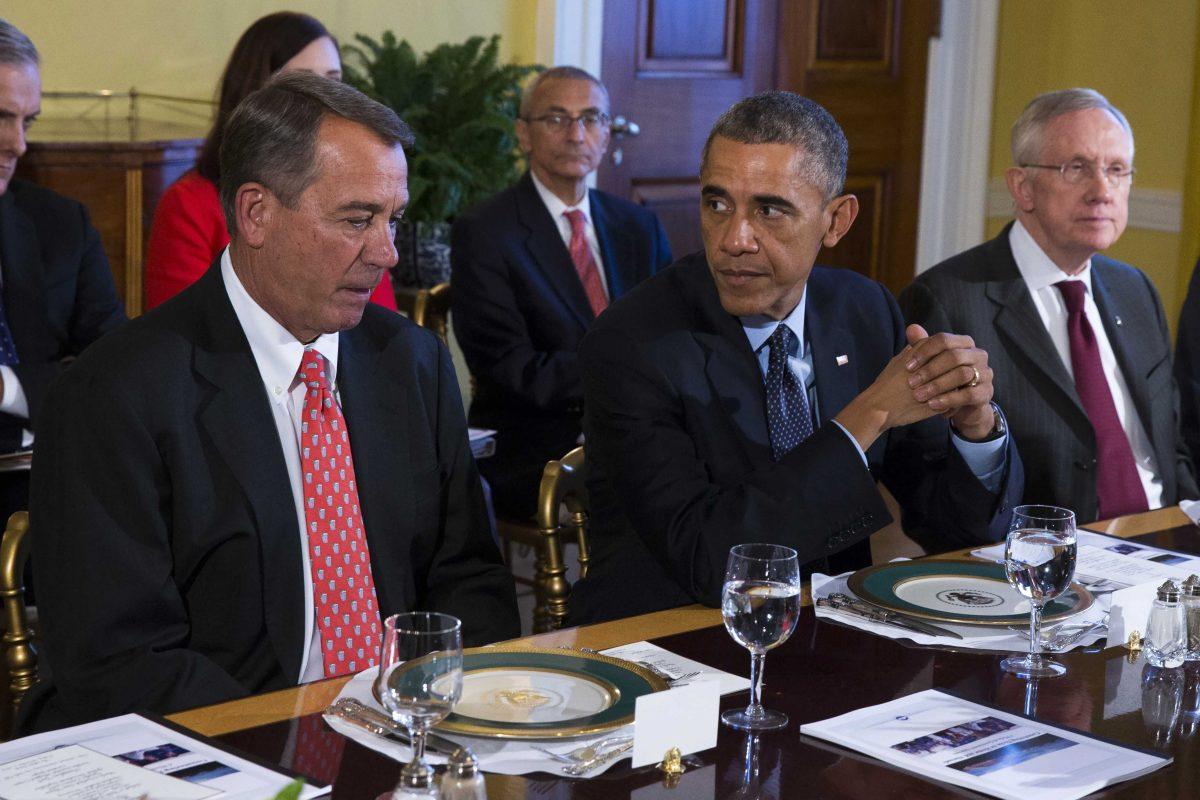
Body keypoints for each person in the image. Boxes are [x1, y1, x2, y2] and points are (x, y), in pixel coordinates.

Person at [22, 72, 519, 732]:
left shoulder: (411, 362)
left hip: (406, 736)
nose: (388, 252)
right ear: (256, 213)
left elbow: (469, 580)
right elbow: (121, 657)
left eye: (392, 219)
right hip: (223, 744)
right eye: (357, 220)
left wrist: (447, 719)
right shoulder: (115, 394)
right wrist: (301, 734)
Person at [568, 92, 1022, 625]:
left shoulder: (863, 310)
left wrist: (975, 430)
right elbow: (710, 560)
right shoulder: (632, 342)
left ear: (836, 221)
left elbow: (958, 531)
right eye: (717, 205)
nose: (734, 240)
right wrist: (868, 415)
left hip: (830, 633)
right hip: (672, 640)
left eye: (769, 210)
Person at [902, 88, 1197, 523]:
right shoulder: (946, 300)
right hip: (1042, 557)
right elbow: (928, 493)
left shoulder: (1136, 290)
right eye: (1076, 168)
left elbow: (1171, 448)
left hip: (1166, 543)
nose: (1102, 191)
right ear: (1022, 187)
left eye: (1116, 170)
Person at [451, 66, 672, 518]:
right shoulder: (486, 232)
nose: (576, 134)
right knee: (652, 487)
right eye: (556, 119)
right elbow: (509, 369)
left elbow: (675, 334)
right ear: (524, 134)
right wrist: (622, 376)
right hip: (538, 437)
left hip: (639, 426)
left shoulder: (638, 226)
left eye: (591, 119)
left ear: (607, 136)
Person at [144, 11, 397, 312]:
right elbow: (181, 328)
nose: (325, 102)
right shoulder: (189, 202)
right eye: (303, 85)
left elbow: (379, 325)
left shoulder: (359, 198)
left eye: (333, 82)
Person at [0, 19, 125, 520]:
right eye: (1, 117)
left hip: (52, 488)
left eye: (27, 122)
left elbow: (116, 372)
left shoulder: (59, 224)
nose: (17, 144)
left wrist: (7, 388)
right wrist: (52, 382)